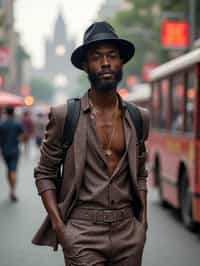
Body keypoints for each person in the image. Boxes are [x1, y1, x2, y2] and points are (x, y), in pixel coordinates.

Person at [32, 22, 150, 266]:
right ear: (85, 65)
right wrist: (60, 227)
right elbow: (44, 172)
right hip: (82, 232)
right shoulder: (66, 115)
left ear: (121, 62)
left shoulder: (139, 117)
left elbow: (140, 173)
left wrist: (143, 223)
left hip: (128, 232)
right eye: (96, 57)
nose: (105, 63)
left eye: (112, 56)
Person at [0, 107, 24, 202]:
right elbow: (23, 135)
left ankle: (11, 188)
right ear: (13, 113)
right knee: (13, 170)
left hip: (5, 151)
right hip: (14, 150)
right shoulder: (17, 123)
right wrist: (18, 140)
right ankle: (13, 191)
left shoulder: (2, 124)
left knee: (8, 169)